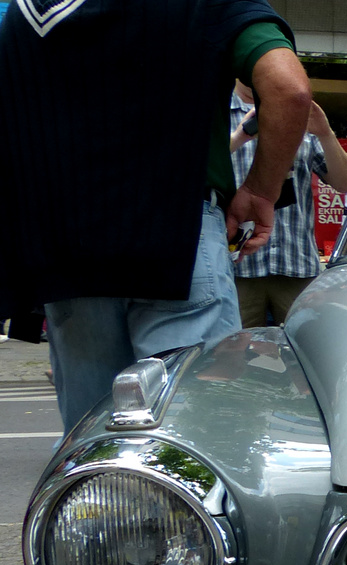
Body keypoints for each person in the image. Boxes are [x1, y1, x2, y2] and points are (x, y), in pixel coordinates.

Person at [0, 0, 310, 433]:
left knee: (95, 443)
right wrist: (260, 188)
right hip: (179, 233)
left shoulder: (26, 11)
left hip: (66, 250)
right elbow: (289, 88)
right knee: (198, 437)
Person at [231, 85, 347, 325]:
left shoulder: (296, 111)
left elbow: (345, 183)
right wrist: (239, 137)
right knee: (234, 353)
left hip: (295, 263)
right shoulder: (218, 111)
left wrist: (325, 133)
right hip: (237, 267)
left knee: (305, 350)